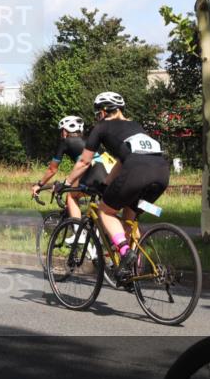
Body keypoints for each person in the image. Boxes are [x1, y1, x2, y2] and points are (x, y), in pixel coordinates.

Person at [62, 92, 169, 275]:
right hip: (162, 173)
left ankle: (126, 253)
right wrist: (106, 184)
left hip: (137, 171)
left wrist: (66, 182)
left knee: (105, 211)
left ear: (103, 112)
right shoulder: (135, 126)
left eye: (97, 113)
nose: (97, 117)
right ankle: (132, 270)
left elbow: (84, 162)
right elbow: (120, 162)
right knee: (129, 216)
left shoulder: (101, 127)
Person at [30, 116, 108, 219]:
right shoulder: (90, 139)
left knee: (71, 196)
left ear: (65, 131)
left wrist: (39, 185)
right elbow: (81, 170)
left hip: (93, 172)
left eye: (61, 131)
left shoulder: (65, 142)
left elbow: (52, 170)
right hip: (109, 173)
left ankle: (78, 233)